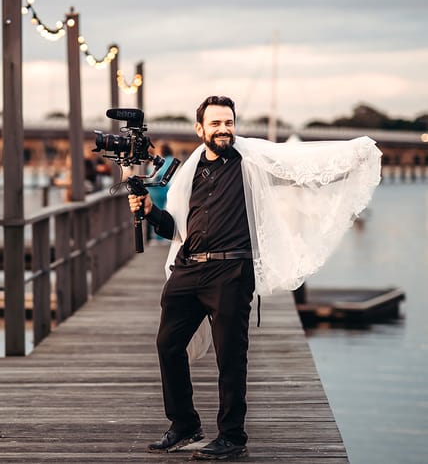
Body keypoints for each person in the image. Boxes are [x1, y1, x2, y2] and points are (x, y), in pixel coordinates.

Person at [128, 95, 381, 460]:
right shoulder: (191, 170)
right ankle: (184, 424)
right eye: (215, 123)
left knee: (231, 357)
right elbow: (175, 229)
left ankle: (232, 437)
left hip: (232, 272)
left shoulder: (251, 162)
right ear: (200, 129)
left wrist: (355, 156)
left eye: (228, 122)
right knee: (168, 345)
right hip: (188, 269)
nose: (223, 129)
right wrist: (150, 210)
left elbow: (303, 168)